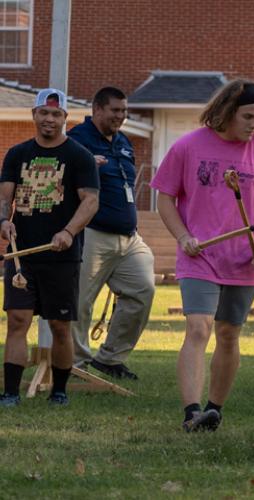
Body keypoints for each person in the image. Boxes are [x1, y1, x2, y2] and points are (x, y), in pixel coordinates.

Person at [151, 79, 254, 432]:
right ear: (227, 112)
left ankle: (213, 411)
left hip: (244, 262)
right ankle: (191, 413)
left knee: (229, 334)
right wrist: (183, 237)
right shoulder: (188, 147)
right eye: (247, 116)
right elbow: (165, 198)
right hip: (200, 258)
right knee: (199, 328)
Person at [0, 88, 99, 407]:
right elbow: (5, 197)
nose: (49, 119)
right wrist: (4, 221)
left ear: (65, 118)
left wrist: (69, 232)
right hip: (21, 255)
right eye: (44, 112)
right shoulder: (17, 154)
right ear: (34, 115)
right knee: (17, 319)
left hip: (62, 257)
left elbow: (91, 201)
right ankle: (11, 393)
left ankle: (59, 391)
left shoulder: (79, 156)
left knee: (59, 324)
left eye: (56, 114)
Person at [69, 87, 155, 380]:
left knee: (143, 290)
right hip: (91, 233)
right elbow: (61, 178)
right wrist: (80, 168)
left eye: (123, 111)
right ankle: (75, 364)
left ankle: (110, 358)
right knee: (79, 301)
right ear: (97, 109)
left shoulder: (124, 142)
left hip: (129, 237)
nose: (121, 116)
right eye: (115, 110)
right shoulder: (77, 140)